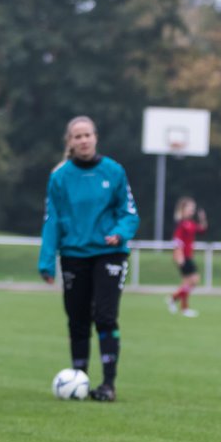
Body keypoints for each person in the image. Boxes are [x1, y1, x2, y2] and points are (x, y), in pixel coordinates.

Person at [38, 116, 139, 402]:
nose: (83, 140)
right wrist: (46, 261)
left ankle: (108, 384)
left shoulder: (114, 171)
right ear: (69, 142)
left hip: (109, 253)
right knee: (77, 319)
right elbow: (52, 220)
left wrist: (119, 233)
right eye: (77, 136)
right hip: (74, 255)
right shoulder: (60, 177)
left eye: (87, 135)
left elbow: (129, 212)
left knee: (105, 317)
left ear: (96, 137)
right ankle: (78, 377)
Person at [166, 196, 207, 318]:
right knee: (193, 281)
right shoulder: (181, 224)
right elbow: (177, 241)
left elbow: (203, 230)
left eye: (193, 209)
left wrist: (203, 219)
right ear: (183, 209)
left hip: (188, 256)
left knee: (188, 283)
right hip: (184, 257)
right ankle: (180, 305)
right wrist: (179, 256)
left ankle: (176, 301)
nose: (192, 211)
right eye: (190, 208)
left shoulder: (191, 223)